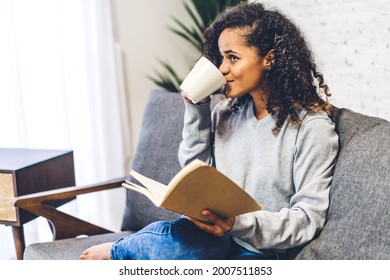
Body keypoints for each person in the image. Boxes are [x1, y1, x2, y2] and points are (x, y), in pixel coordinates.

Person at [80, 2, 339, 260]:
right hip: (205, 239)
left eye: (233, 58)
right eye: (221, 58)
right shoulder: (228, 111)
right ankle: (128, 251)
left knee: (180, 255)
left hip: (257, 251)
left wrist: (238, 223)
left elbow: (307, 218)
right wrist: (197, 111)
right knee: (181, 248)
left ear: (268, 59)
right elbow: (196, 173)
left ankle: (121, 252)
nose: (222, 68)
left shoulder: (312, 128)